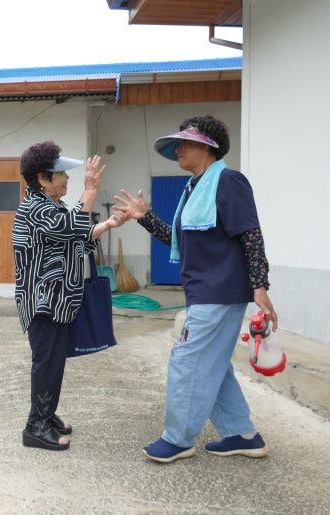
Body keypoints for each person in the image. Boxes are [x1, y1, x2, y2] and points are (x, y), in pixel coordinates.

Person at [114, 114, 278, 463]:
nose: (178, 149)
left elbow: (250, 234)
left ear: (208, 146)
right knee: (213, 365)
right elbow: (178, 240)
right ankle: (242, 435)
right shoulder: (195, 189)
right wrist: (145, 217)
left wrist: (260, 286)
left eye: (185, 143)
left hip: (220, 291)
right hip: (205, 291)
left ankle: (178, 439)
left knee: (187, 362)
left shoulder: (228, 181)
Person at [13, 140, 127, 451]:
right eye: (62, 174)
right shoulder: (34, 208)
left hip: (59, 300)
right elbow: (68, 228)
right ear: (42, 178)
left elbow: (75, 237)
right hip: (43, 301)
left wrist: (107, 224)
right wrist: (89, 190)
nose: (67, 179)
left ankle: (46, 415)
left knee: (55, 364)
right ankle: (35, 428)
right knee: (46, 363)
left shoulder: (51, 206)